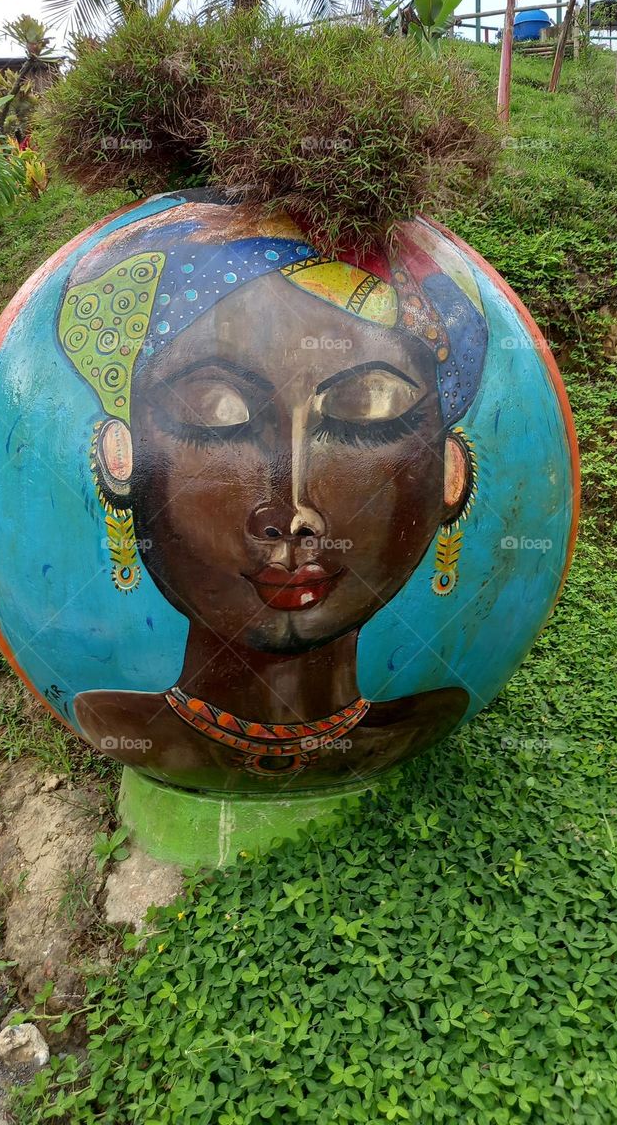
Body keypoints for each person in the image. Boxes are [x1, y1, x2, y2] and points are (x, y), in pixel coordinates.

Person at [56, 192, 489, 793]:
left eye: (366, 413)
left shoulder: (431, 713)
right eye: (215, 414)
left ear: (449, 471)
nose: (293, 513)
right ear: (122, 459)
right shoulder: (111, 718)